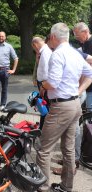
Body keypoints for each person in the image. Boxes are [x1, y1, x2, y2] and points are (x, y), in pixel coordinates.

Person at [36, 23, 92, 192]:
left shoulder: (57, 54)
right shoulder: (76, 53)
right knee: (68, 149)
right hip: (75, 104)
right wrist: (78, 91)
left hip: (61, 107)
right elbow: (90, 74)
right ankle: (66, 186)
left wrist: (43, 87)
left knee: (43, 150)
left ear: (53, 37)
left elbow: (53, 82)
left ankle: (43, 187)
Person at [31, 36, 52, 129]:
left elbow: (47, 71)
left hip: (44, 85)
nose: (35, 50)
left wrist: (43, 87)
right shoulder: (43, 52)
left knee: (44, 107)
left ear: (35, 45)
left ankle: (43, 129)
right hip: (43, 84)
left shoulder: (45, 52)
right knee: (43, 106)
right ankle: (42, 127)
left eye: (34, 48)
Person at [73, 22, 92, 112]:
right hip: (87, 86)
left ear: (85, 31)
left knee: (89, 115)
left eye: (77, 35)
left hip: (90, 87)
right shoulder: (85, 43)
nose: (76, 38)